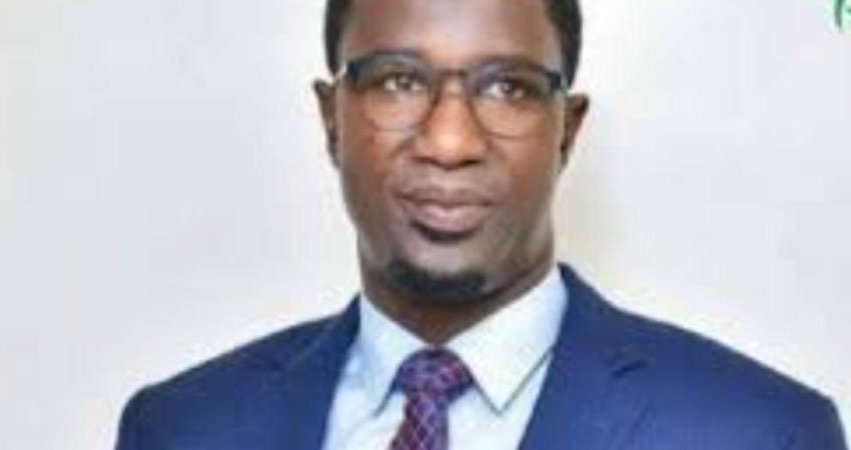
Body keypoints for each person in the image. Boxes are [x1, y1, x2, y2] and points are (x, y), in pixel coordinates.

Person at [115, 0, 848, 448]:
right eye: (399, 80)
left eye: (507, 89)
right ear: (330, 119)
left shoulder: (757, 433)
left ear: (566, 132)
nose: (449, 141)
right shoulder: (182, 430)